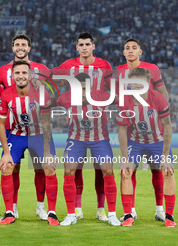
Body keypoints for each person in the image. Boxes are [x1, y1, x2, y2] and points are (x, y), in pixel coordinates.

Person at [53, 32, 113, 221]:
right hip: (75, 133)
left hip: (99, 132)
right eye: (81, 44)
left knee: (102, 170)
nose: (85, 47)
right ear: (77, 47)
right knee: (73, 170)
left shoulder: (104, 65)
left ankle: (102, 210)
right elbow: (51, 79)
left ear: (93, 46)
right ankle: (75, 210)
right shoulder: (68, 66)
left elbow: (113, 90)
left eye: (88, 44)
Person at [0, 34, 49, 220]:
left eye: (24, 44)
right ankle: (12, 207)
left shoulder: (42, 69)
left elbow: (52, 90)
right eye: (17, 44)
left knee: (40, 168)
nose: (20, 47)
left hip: (35, 128)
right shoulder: (2, 71)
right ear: (13, 47)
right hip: (10, 127)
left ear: (29, 48)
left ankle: (41, 207)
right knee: (11, 167)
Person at [0, 60, 59, 225]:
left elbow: (46, 124)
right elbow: (0, 125)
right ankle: (10, 211)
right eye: (17, 73)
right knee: (6, 166)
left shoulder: (41, 93)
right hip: (17, 135)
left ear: (30, 75)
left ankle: (49, 211)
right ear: (12, 75)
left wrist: (47, 152)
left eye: (24, 73)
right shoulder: (6, 94)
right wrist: (6, 153)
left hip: (38, 135)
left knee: (48, 167)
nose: (21, 76)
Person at [57, 72, 120, 226]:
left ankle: (111, 214)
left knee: (108, 171)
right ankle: (71, 214)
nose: (82, 93)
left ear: (91, 87)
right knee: (68, 171)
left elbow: (123, 99)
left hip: (99, 139)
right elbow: (47, 100)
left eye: (85, 89)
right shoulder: (65, 98)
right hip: (76, 139)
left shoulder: (103, 96)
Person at [117, 38, 169, 221]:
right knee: (131, 169)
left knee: (157, 170)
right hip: (133, 126)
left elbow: (162, 93)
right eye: (127, 48)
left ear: (140, 51)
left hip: (153, 126)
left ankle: (160, 210)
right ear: (123, 52)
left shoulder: (152, 68)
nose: (130, 51)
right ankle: (130, 209)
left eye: (134, 48)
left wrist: (162, 116)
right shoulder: (120, 71)